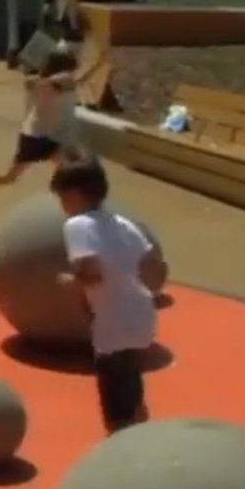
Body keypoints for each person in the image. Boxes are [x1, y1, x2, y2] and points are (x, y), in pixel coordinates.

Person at [51, 157, 159, 434]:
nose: (62, 206)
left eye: (63, 198)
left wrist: (70, 281)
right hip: (140, 312)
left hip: (113, 320)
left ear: (74, 195)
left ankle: (119, 441)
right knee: (130, 375)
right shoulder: (121, 222)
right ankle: (137, 425)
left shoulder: (76, 225)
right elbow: (151, 262)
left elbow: (93, 274)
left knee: (112, 390)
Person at [0, 50, 88, 206]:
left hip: (48, 136)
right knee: (10, 177)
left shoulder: (60, 82)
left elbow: (79, 80)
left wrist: (101, 64)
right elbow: (67, 81)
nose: (72, 72)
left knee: (72, 167)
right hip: (35, 138)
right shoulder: (56, 82)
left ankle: (69, 198)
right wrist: (40, 81)